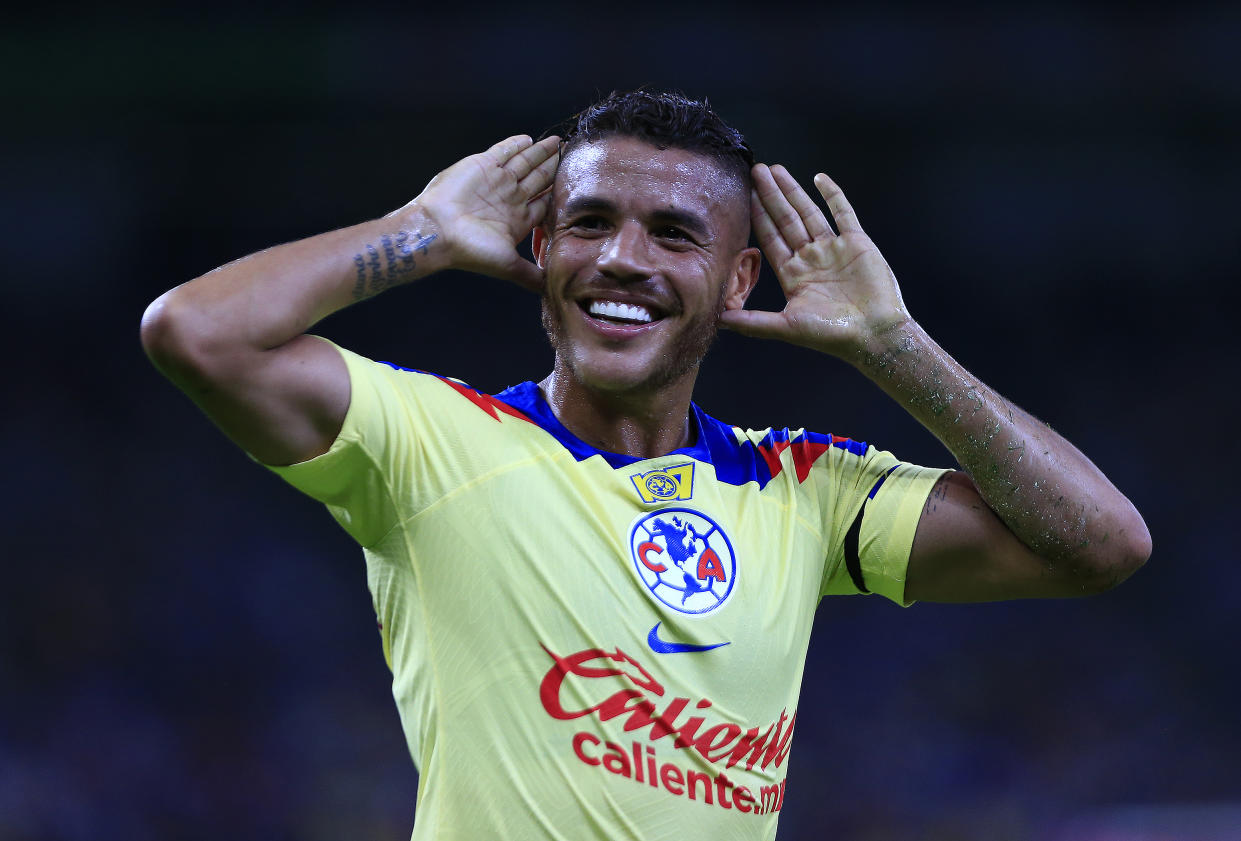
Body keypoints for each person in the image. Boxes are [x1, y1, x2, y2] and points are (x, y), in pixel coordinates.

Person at [140, 90, 1150, 839]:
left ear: (737, 279)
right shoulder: (436, 440)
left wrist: (891, 344)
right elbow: (196, 332)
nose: (624, 257)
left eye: (673, 233)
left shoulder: (801, 486)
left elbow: (1097, 543)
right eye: (589, 222)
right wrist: (424, 234)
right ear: (540, 246)